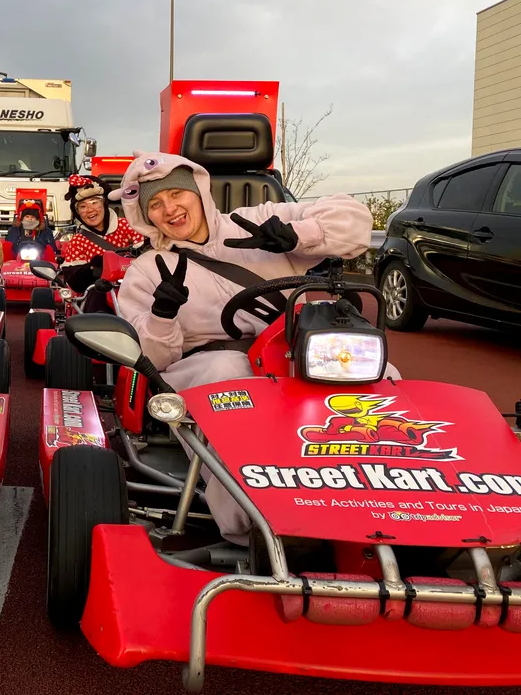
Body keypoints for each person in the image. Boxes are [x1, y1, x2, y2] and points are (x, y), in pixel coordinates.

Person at [114, 150, 397, 545]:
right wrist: (163, 315)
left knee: (379, 373)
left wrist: (299, 237)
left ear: (198, 190)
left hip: (293, 351)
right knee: (229, 373)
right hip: (207, 362)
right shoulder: (146, 270)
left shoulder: (257, 222)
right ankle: (253, 526)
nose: (170, 209)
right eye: (156, 204)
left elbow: (355, 221)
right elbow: (152, 359)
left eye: (176, 194)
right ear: (146, 215)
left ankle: (397, 505)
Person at [59, 174, 143, 307]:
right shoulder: (77, 241)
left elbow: (149, 256)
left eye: (94, 202)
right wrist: (93, 270)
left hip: (134, 290)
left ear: (104, 203)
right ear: (77, 213)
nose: (90, 210)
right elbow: (75, 282)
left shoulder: (128, 226)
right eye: (83, 206)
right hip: (98, 299)